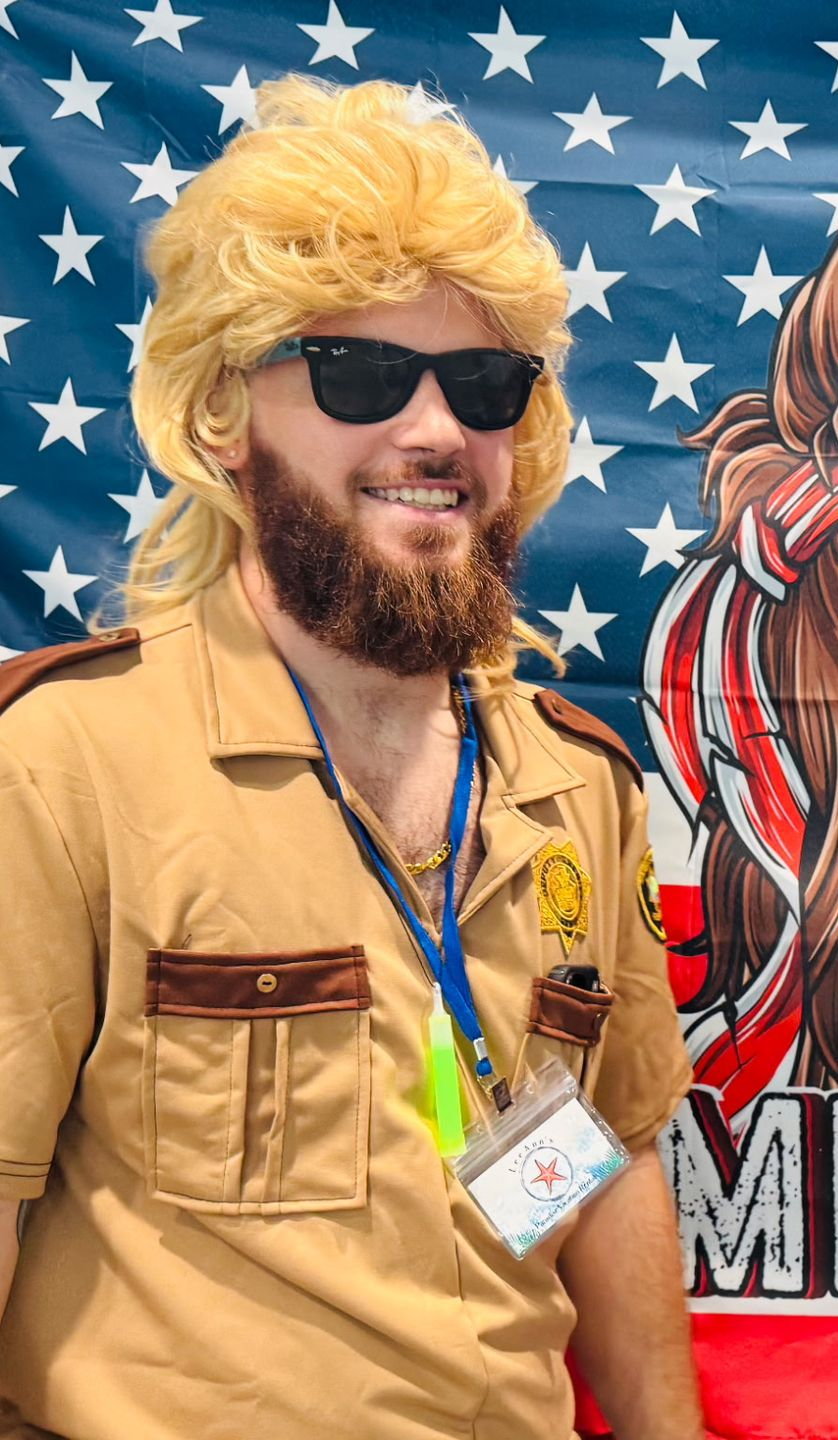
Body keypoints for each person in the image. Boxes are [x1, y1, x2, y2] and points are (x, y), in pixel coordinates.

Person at [0, 78, 699, 1438]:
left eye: (483, 383)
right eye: (361, 376)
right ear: (222, 415)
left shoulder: (578, 789)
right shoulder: (61, 766)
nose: (433, 431)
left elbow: (599, 1171)